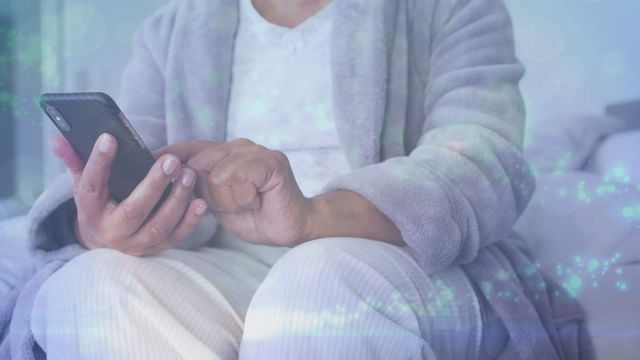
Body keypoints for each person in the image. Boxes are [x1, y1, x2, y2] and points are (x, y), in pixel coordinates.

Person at [6, 0, 592, 358]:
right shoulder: (174, 29)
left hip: (394, 256)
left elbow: (485, 163)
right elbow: (144, 156)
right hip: (220, 260)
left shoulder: (447, 8)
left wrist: (314, 216)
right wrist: (110, 224)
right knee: (93, 286)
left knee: (314, 288)